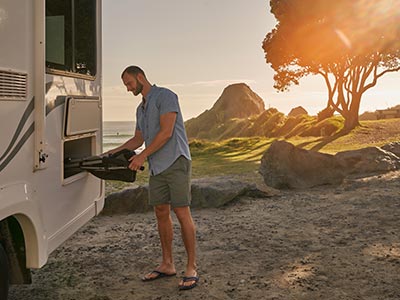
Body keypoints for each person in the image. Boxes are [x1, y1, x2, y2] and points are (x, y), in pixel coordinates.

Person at [107, 66, 198, 290]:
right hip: (157, 166)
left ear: (140, 77)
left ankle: (191, 267)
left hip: (176, 161)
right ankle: (168, 264)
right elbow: (137, 139)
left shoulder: (165, 96)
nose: (128, 89)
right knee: (160, 212)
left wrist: (142, 157)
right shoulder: (141, 109)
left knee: (181, 212)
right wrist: (110, 153)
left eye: (129, 84)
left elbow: (166, 132)